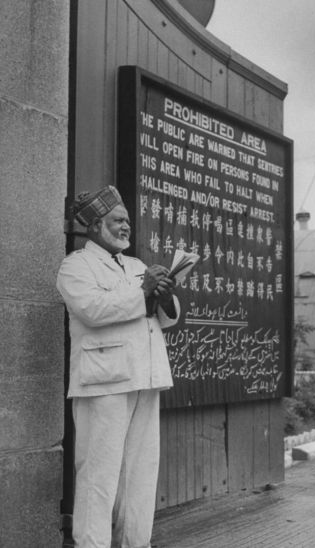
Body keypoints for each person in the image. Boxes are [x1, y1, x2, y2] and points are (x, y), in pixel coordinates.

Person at [56, 185, 179, 548]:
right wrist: (142, 292)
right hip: (104, 383)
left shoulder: (138, 266)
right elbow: (91, 310)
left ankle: (135, 543)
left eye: (127, 220)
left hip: (146, 378)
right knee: (98, 476)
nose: (126, 226)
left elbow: (166, 320)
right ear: (95, 226)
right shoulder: (75, 266)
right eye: (117, 220)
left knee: (140, 476)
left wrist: (165, 294)